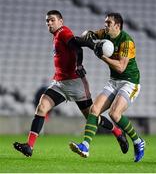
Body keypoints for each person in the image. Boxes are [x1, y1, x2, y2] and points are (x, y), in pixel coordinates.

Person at [13, 10, 128, 157]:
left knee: (91, 117)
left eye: (52, 20)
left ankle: (118, 133)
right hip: (60, 83)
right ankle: (29, 146)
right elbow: (75, 47)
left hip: (76, 83)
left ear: (61, 22)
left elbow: (77, 44)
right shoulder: (56, 36)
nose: (49, 23)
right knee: (42, 107)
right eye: (47, 21)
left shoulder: (63, 32)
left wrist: (83, 59)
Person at [69, 12, 145, 162]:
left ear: (117, 26)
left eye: (108, 23)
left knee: (115, 114)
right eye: (105, 23)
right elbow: (90, 35)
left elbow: (121, 68)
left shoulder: (126, 42)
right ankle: (85, 146)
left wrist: (102, 56)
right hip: (114, 81)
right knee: (94, 110)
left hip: (130, 82)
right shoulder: (105, 33)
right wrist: (88, 36)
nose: (105, 26)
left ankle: (138, 141)